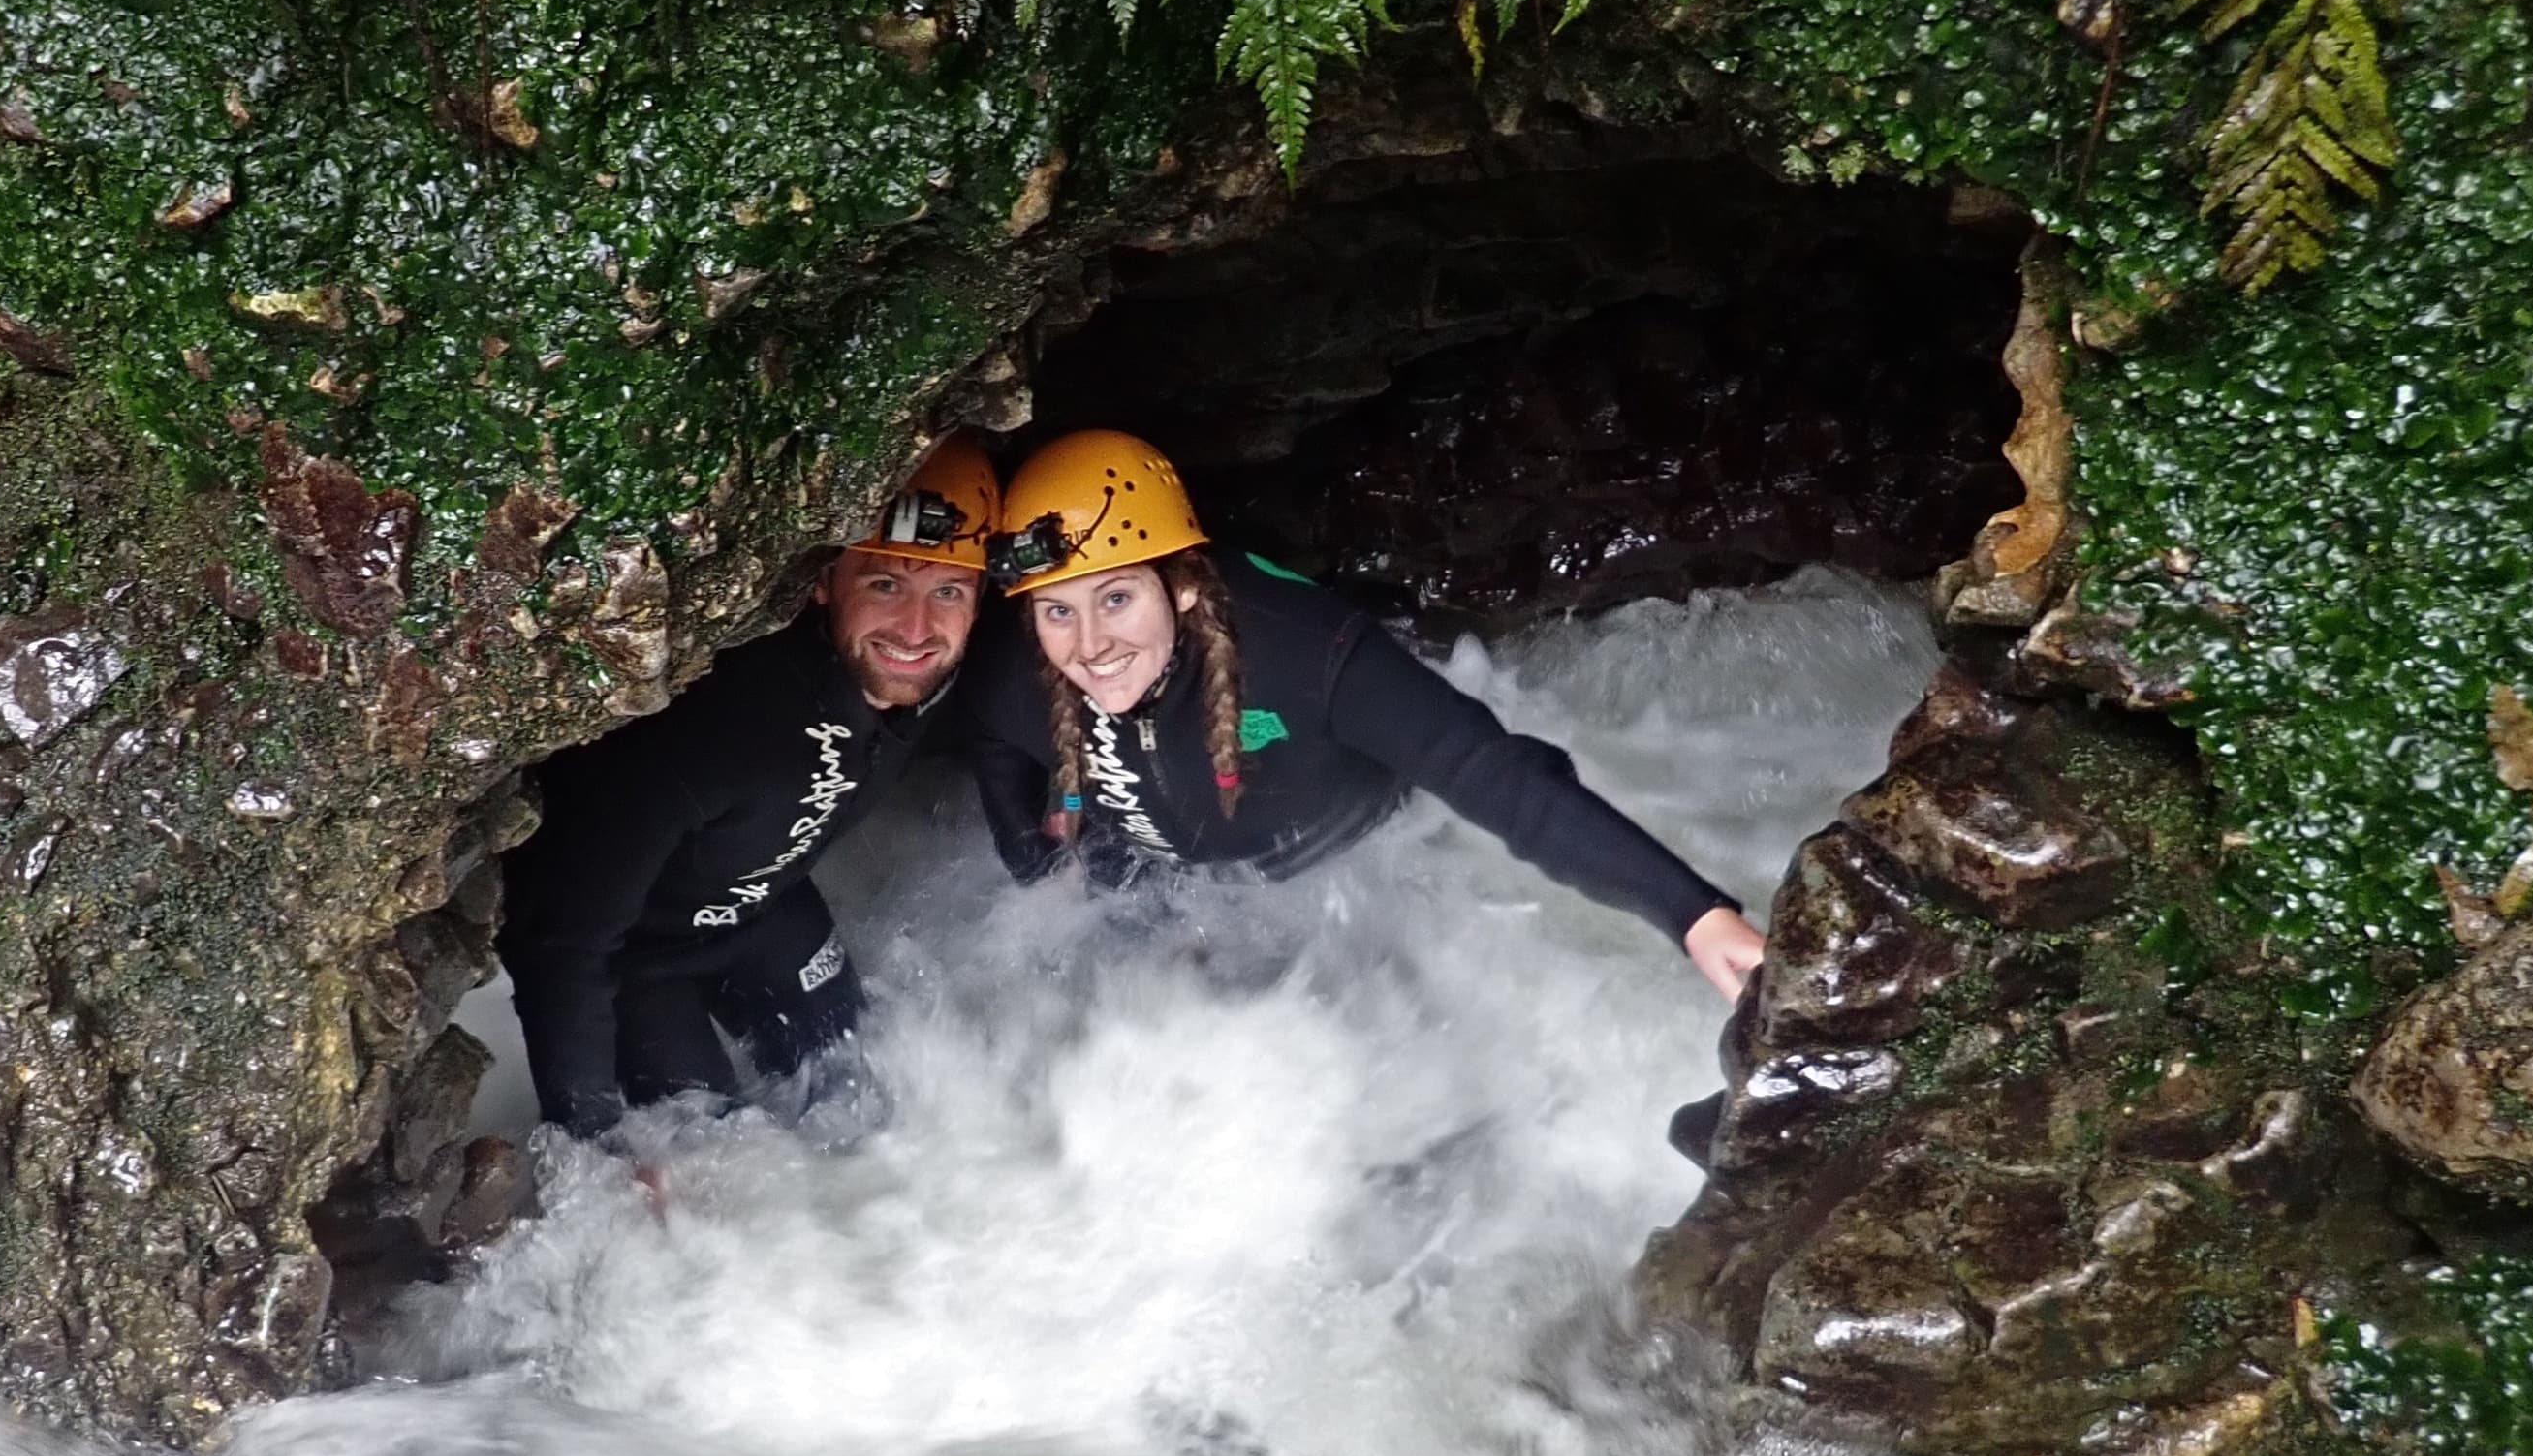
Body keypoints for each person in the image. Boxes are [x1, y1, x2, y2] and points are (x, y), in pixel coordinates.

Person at [962, 430, 1768, 1000]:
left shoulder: (1308, 656)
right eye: (1057, 611)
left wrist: (1692, 912)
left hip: (1360, 881)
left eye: (1116, 597)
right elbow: (992, 738)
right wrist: (1034, 857)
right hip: (1167, 899)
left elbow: (1494, 775)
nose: (1091, 643)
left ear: (1182, 584)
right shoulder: (1023, 666)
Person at [497, 436, 1000, 1134]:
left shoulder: (937, 677)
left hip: (767, 908)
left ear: (979, 603)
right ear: (826, 581)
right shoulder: (720, 724)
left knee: (876, 1110)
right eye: (885, 582)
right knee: (712, 1175)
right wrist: (599, 1139)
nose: (917, 628)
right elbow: (558, 938)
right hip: (637, 957)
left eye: (948, 590)